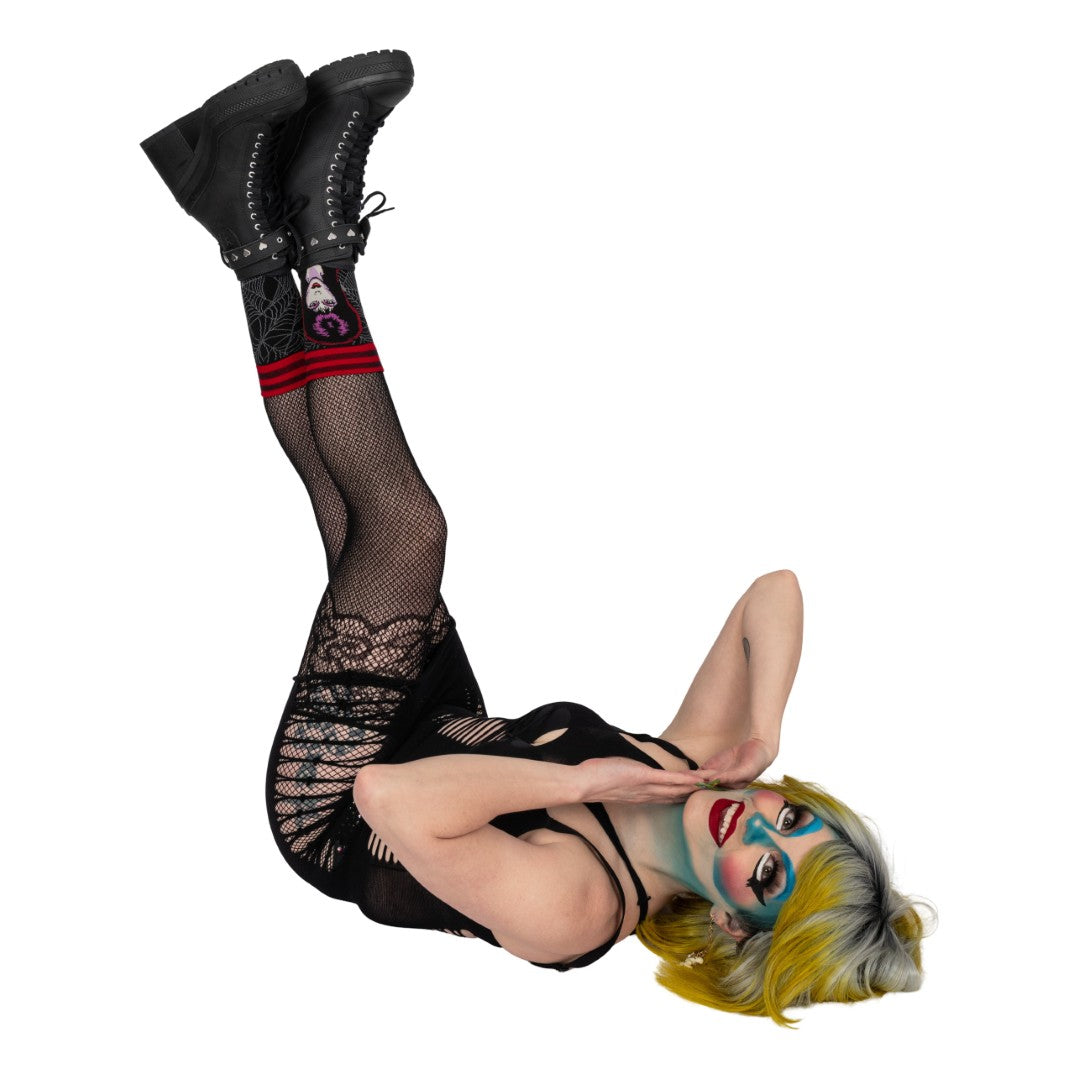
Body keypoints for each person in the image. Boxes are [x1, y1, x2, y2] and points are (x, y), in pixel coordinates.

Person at [141, 50, 929, 1024]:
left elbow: (390, 800)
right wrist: (764, 729)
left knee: (405, 530)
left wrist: (584, 778)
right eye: (795, 818)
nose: (759, 825)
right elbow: (774, 593)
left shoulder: (576, 908)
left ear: (734, 924)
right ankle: (256, 226)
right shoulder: (689, 765)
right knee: (351, 512)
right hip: (438, 716)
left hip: (337, 803)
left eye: (768, 872)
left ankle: (307, 239)